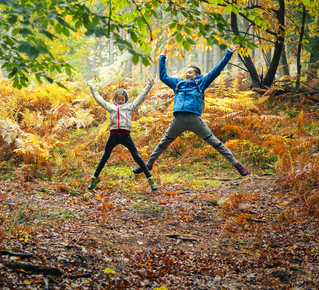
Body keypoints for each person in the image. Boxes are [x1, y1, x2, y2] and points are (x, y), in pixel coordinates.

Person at [133, 44, 249, 180]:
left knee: (215, 142)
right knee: (163, 143)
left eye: (190, 72)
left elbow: (217, 70)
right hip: (178, 120)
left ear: (197, 74)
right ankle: (148, 164)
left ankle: (235, 163)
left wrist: (228, 53)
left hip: (195, 119)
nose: (187, 74)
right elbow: (163, 77)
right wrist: (162, 58)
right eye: (186, 72)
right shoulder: (178, 83)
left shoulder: (202, 82)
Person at [88, 79, 158, 191]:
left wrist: (149, 85)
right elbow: (99, 100)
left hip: (126, 136)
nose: (120, 101)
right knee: (105, 156)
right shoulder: (111, 107)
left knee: (137, 157)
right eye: (118, 99)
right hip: (113, 135)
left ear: (125, 99)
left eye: (122, 99)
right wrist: (93, 88)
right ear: (115, 99)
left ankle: (150, 179)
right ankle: (95, 178)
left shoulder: (129, 107)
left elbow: (140, 98)